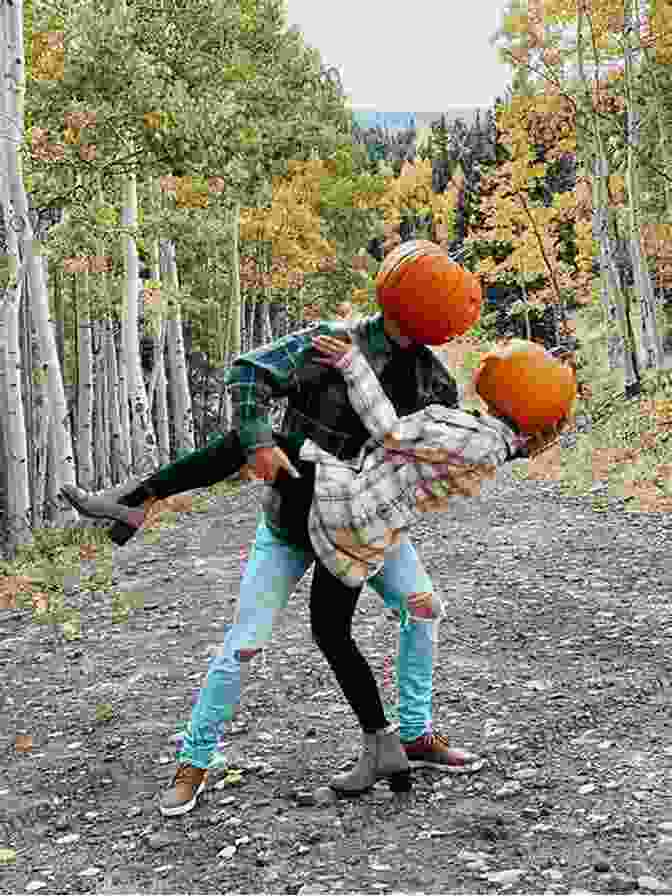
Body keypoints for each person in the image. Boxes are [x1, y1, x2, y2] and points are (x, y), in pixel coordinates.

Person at [62, 241, 484, 816]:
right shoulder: (333, 342)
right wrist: (259, 439)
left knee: (423, 607)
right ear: (410, 303)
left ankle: (413, 733)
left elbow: (427, 461)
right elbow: (247, 373)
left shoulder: (435, 383)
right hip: (290, 522)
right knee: (244, 646)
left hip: (360, 532)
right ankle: (195, 760)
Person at [290, 332, 575, 795]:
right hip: (374, 520)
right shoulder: (486, 437)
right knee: (397, 613)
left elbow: (393, 433)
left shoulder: (477, 438)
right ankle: (395, 739)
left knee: (335, 627)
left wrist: (351, 364)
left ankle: (393, 739)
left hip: (355, 512)